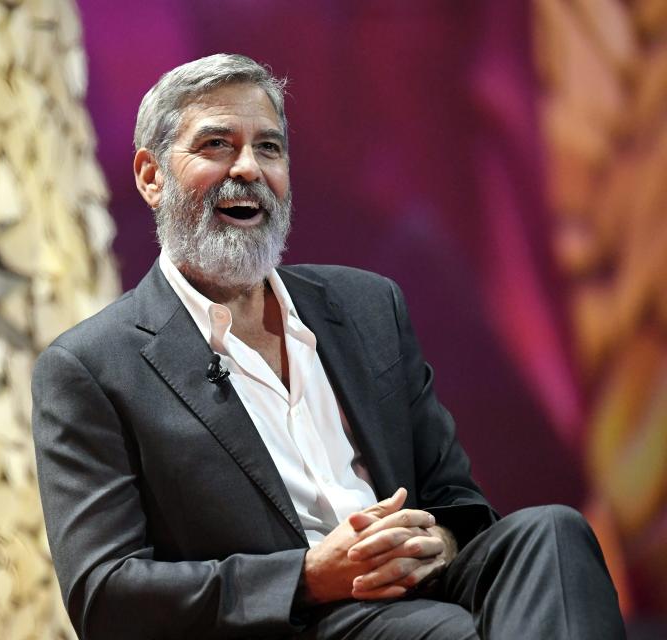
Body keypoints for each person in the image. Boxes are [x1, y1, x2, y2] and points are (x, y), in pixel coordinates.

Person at [31, 53, 625, 639]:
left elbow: (456, 500)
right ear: (151, 176)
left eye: (269, 148)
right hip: (292, 618)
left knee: (553, 533)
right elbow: (106, 594)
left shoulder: (368, 307)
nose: (249, 168)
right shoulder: (91, 368)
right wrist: (311, 576)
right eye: (216, 145)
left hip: (418, 585)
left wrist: (432, 542)